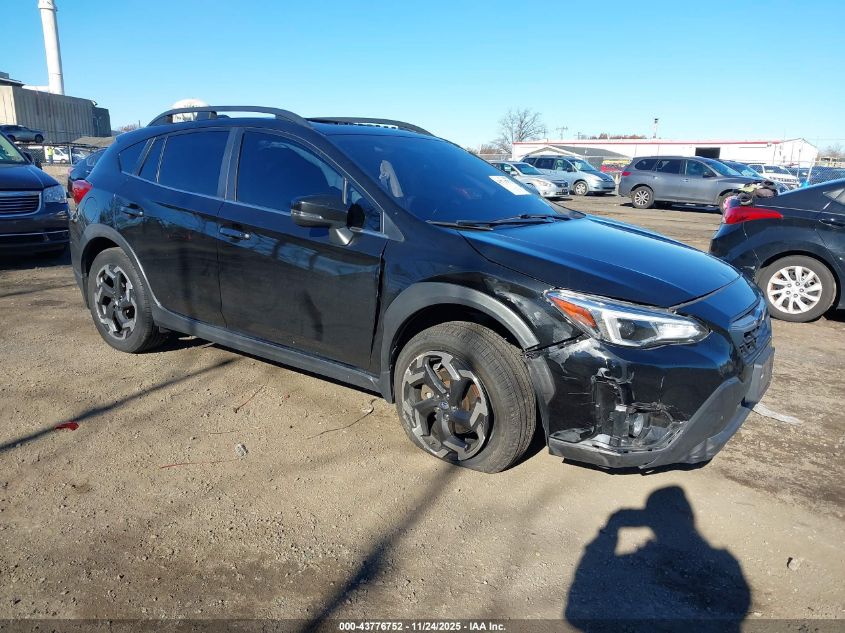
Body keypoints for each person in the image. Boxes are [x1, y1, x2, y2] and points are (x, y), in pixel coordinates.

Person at [565, 486, 750, 632]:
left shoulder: (724, 562)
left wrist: (613, 527)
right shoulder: (726, 561)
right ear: (690, 515)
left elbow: (576, 609)